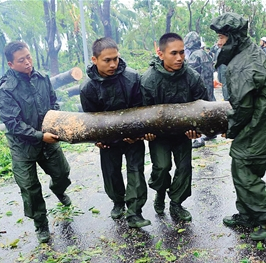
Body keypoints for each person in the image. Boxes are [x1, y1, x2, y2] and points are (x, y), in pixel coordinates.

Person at [210, 12, 266, 241]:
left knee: (242, 169)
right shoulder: (249, 51)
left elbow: (242, 107)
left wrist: (230, 129)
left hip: (259, 123)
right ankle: (247, 214)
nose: (218, 42)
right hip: (265, 120)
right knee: (248, 167)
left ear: (232, 37)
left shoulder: (242, 65)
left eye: (221, 37)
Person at [0, 41, 72, 243]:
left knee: (62, 173)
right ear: (11, 64)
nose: (28, 62)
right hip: (23, 146)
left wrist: (54, 123)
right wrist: (40, 135)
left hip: (48, 139)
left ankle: (58, 190)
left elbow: (53, 101)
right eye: (21, 60)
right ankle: (41, 224)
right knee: (30, 188)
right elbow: (13, 124)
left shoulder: (42, 79)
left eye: (29, 57)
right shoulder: (6, 90)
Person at [79, 37, 151, 228]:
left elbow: (140, 109)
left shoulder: (133, 78)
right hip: (108, 140)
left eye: (116, 59)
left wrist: (135, 133)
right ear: (94, 60)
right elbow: (90, 118)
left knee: (136, 171)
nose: (113, 64)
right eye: (107, 60)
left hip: (132, 137)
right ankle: (118, 202)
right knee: (111, 173)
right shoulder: (87, 87)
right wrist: (97, 139)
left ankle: (135, 212)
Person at [140, 33, 208, 222]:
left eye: (182, 52)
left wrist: (198, 129)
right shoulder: (148, 80)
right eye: (174, 53)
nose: (180, 58)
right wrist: (146, 132)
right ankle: (160, 191)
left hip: (183, 134)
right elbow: (142, 113)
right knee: (162, 168)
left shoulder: (192, 77)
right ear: (160, 54)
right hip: (159, 136)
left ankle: (176, 203)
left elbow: (204, 106)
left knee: (184, 167)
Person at [184, 31, 215, 148]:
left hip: (199, 89)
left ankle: (199, 138)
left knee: (199, 114)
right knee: (209, 111)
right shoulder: (205, 53)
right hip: (209, 87)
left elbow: (190, 74)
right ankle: (211, 132)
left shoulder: (194, 56)